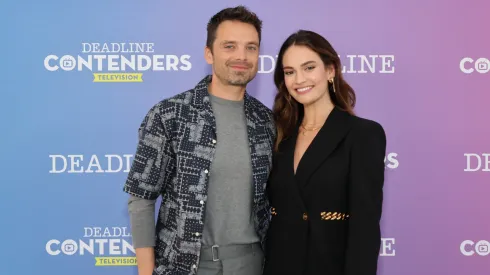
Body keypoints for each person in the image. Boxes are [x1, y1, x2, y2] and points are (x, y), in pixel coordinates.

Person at [122, 6, 275, 275]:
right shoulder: (171, 114)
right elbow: (142, 199)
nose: (242, 56)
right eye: (230, 46)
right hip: (184, 266)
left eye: (251, 47)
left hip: (252, 265)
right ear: (209, 53)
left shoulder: (266, 121)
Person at [262, 30, 387, 275]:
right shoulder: (278, 134)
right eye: (290, 72)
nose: (299, 79)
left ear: (330, 70)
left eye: (309, 68)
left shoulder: (362, 134)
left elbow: (365, 228)